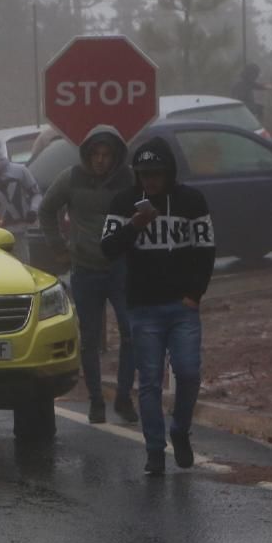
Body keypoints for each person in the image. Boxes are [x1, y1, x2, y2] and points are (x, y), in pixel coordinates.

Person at [100, 138, 216, 477]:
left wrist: (195, 294)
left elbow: (206, 249)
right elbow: (107, 248)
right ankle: (154, 450)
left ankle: (180, 429)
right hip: (143, 307)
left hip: (182, 306)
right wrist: (134, 225)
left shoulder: (191, 201)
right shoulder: (124, 202)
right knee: (149, 381)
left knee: (189, 372)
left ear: (169, 173)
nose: (150, 181)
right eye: (144, 174)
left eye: (157, 174)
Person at [38, 126, 138, 425]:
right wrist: (58, 247)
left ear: (116, 156)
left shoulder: (129, 179)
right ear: (87, 154)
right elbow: (46, 210)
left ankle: (123, 397)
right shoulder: (71, 177)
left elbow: (149, 211)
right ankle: (96, 400)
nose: (101, 161)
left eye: (107, 155)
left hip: (121, 267)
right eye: (95, 154)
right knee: (90, 338)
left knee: (131, 333)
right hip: (84, 268)